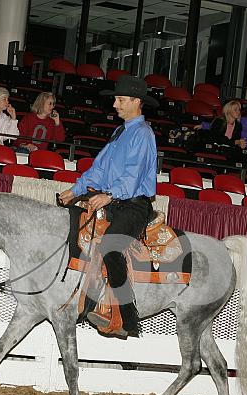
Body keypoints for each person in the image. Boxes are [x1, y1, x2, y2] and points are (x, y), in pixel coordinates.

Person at [58, 75, 158, 339]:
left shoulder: (143, 134)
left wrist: (110, 195)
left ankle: (129, 319)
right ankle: (83, 299)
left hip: (134, 205)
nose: (115, 104)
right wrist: (75, 190)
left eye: (120, 100)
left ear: (136, 102)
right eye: (116, 99)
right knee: (72, 224)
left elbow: (133, 175)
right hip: (115, 201)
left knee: (111, 247)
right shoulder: (120, 132)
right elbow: (99, 169)